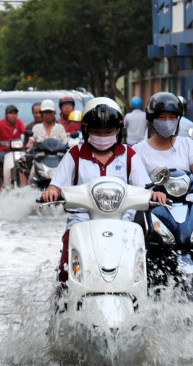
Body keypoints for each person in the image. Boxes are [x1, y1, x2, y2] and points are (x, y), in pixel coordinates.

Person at [40, 97, 165, 282]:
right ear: (86, 130)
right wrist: (51, 191)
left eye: (108, 132)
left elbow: (144, 187)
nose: (103, 136)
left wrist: (154, 193)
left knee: (139, 271)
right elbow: (56, 184)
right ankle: (63, 297)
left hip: (123, 223)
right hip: (81, 222)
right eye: (97, 132)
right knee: (66, 271)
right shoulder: (75, 154)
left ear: (118, 130)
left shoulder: (129, 155)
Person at [132, 92, 193, 192]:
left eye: (172, 117)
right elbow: (139, 185)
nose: (167, 121)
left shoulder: (187, 144)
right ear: (152, 119)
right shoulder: (138, 150)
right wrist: (152, 194)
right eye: (161, 117)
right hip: (154, 201)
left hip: (187, 200)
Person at [0, 104, 27, 196]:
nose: (13, 115)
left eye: (15, 113)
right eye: (11, 113)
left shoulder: (19, 122)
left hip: (17, 150)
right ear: (6, 115)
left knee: (24, 161)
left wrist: (27, 142)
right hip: (4, 150)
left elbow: (26, 132)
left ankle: (25, 187)